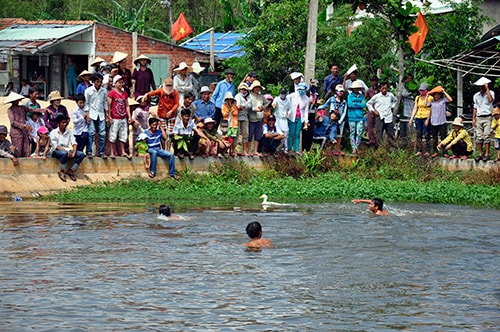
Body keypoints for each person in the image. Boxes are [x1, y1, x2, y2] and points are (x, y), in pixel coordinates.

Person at [145, 78, 179, 150]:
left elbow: (177, 104)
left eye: (170, 86)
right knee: (162, 133)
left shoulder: (175, 92)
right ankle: (163, 149)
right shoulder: (161, 91)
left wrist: (172, 111)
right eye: (167, 85)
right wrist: (146, 95)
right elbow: (153, 93)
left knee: (170, 134)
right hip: (162, 115)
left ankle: (168, 149)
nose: (169, 88)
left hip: (171, 116)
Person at [50, 114, 85, 182]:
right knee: (64, 154)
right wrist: (66, 152)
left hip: (67, 150)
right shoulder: (53, 132)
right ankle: (62, 171)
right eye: (62, 122)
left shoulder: (69, 132)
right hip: (56, 151)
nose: (65, 124)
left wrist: (74, 152)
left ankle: (71, 170)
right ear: (59, 123)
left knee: (81, 154)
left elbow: (74, 142)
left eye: (65, 122)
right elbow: (55, 146)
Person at [317, 84, 347, 155]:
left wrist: (340, 121)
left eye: (342, 92)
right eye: (339, 92)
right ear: (336, 92)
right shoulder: (332, 99)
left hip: (340, 121)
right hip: (332, 119)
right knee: (330, 133)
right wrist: (317, 107)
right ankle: (329, 149)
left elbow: (344, 112)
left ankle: (337, 149)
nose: (340, 93)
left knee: (339, 135)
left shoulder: (344, 102)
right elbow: (325, 105)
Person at [107, 75, 132, 159]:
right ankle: (112, 152)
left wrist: (129, 116)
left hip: (123, 117)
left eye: (122, 82)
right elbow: (109, 105)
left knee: (123, 135)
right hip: (115, 117)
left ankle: (123, 151)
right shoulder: (112, 93)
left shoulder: (124, 94)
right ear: (115, 83)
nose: (121, 84)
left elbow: (127, 105)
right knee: (113, 135)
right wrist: (109, 116)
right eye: (119, 82)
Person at [366, 82, 397, 148]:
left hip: (388, 117)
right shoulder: (377, 96)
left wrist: (391, 107)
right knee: (379, 133)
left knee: (391, 133)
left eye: (386, 88)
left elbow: (395, 101)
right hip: (380, 116)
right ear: (380, 89)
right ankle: (379, 149)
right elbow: (368, 103)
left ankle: (392, 148)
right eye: (383, 88)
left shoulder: (390, 95)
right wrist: (374, 111)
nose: (384, 90)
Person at [85, 73, 108, 158]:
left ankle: (100, 152)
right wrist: (87, 114)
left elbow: (105, 103)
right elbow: (86, 103)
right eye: (98, 81)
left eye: (100, 81)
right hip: (92, 113)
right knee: (91, 133)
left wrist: (107, 114)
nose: (99, 83)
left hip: (101, 114)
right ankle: (89, 151)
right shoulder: (88, 91)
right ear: (94, 82)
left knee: (103, 133)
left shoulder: (104, 91)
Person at [472, 77, 495, 162]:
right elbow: (475, 107)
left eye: (482, 86)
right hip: (479, 116)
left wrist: (487, 88)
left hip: (487, 116)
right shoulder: (476, 96)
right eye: (480, 86)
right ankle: (480, 154)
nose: (481, 88)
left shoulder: (491, 93)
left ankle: (487, 154)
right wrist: (473, 118)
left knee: (487, 135)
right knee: (479, 136)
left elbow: (490, 100)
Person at [425, 86, 453, 158]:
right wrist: (427, 96)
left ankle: (444, 152)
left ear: (440, 95)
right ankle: (435, 151)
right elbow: (425, 105)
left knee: (444, 137)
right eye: (435, 95)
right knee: (434, 138)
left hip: (442, 122)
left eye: (438, 94)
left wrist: (444, 92)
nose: (437, 96)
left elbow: (450, 99)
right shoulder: (432, 102)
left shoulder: (443, 100)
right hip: (434, 122)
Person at [409, 82, 433, 157]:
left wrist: (428, 119)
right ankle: (419, 150)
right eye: (420, 90)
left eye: (423, 90)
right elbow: (415, 108)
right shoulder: (417, 98)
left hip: (426, 117)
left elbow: (431, 109)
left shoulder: (430, 98)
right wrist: (411, 118)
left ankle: (427, 150)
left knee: (426, 134)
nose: (421, 91)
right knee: (418, 134)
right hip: (418, 117)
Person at [286, 82, 309, 154]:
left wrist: (306, 121)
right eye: (300, 89)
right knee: (291, 134)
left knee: (297, 134)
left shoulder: (306, 98)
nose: (301, 91)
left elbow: (306, 111)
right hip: (292, 117)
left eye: (303, 90)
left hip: (300, 118)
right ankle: (289, 149)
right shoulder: (292, 95)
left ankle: (296, 149)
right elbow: (285, 100)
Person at [6, 92, 31, 157]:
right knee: (18, 151)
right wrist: (24, 126)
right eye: (15, 100)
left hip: (24, 132)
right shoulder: (10, 109)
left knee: (26, 150)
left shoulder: (22, 108)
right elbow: (12, 122)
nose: (17, 101)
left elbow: (32, 110)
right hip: (16, 133)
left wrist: (43, 110)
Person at [248, 80, 268, 156]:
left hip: (260, 118)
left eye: (258, 88)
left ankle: (255, 151)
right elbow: (248, 106)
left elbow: (267, 103)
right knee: (250, 135)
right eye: (256, 87)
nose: (257, 89)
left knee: (258, 135)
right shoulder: (249, 96)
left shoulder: (261, 96)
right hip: (251, 117)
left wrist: (263, 107)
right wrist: (254, 109)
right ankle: (249, 150)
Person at [347, 81, 367, 154]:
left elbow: (364, 105)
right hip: (351, 117)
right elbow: (350, 105)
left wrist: (355, 103)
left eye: (357, 88)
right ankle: (354, 147)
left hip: (360, 117)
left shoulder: (361, 96)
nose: (356, 90)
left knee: (359, 132)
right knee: (352, 132)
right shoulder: (350, 96)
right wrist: (359, 104)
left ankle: (357, 146)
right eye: (355, 88)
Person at [235, 84, 252, 156]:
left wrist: (243, 106)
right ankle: (233, 150)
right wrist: (243, 106)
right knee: (236, 134)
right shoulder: (237, 96)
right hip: (237, 117)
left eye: (244, 89)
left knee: (246, 134)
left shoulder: (249, 97)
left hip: (245, 117)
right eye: (242, 89)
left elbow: (250, 106)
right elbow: (238, 106)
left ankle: (244, 151)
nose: (243, 91)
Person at [221, 91, 239, 156]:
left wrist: (232, 107)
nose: (229, 101)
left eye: (230, 99)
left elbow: (235, 113)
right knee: (226, 137)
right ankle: (225, 150)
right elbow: (224, 114)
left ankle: (231, 151)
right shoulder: (223, 106)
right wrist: (228, 109)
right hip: (226, 124)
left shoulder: (235, 106)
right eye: (228, 99)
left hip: (233, 124)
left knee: (232, 138)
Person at [400, 74, 415, 144]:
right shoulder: (404, 88)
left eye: (410, 78)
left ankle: (410, 145)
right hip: (405, 112)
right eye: (408, 78)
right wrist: (411, 92)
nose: (409, 80)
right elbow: (404, 94)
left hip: (413, 113)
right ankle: (405, 144)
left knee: (410, 131)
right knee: (404, 130)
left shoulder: (415, 88)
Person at [365, 76, 380, 147]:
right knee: (370, 126)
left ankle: (378, 141)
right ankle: (371, 140)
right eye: (373, 81)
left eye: (375, 81)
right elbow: (365, 99)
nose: (374, 82)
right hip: (371, 110)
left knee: (378, 126)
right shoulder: (369, 90)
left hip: (379, 110)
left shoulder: (380, 90)